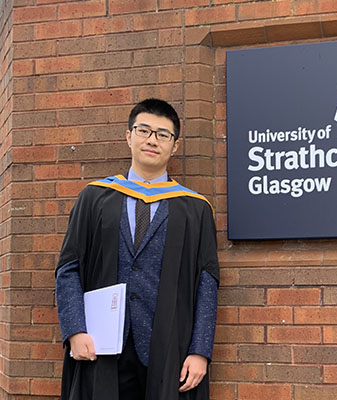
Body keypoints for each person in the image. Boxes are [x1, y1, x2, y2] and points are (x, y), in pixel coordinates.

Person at [55, 98, 219, 400]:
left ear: (175, 145)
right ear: (128, 136)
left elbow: (207, 283)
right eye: (143, 130)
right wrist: (74, 331)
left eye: (162, 134)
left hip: (170, 348)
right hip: (101, 347)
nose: (152, 140)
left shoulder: (195, 209)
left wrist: (200, 351)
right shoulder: (94, 199)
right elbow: (69, 269)